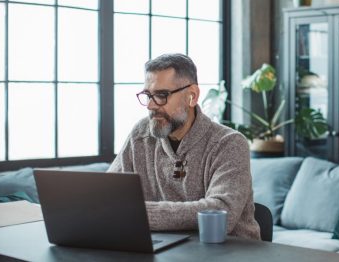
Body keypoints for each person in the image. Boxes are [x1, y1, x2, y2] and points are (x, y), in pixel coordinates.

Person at [108, 53, 260, 239]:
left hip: (231, 252)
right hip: (166, 250)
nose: (151, 106)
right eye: (148, 95)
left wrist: (139, 212)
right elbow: (108, 194)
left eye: (162, 95)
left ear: (192, 96)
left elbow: (221, 212)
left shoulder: (229, 143)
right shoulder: (141, 134)